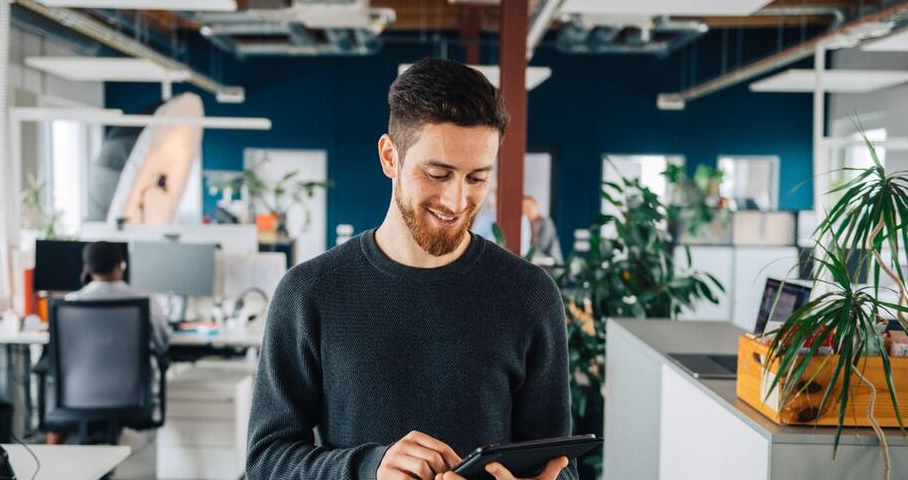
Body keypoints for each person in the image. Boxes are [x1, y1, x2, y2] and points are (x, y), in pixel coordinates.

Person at [247, 58, 577, 480]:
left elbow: (558, 464)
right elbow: (266, 462)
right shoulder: (310, 292)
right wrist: (370, 468)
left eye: (477, 178)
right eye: (437, 174)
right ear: (390, 157)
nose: (456, 201)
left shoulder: (529, 294)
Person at [42, 241, 170, 444]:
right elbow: (163, 344)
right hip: (131, 396)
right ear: (121, 265)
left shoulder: (70, 303)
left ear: (87, 268)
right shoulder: (147, 301)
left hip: (76, 395)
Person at [522, 196, 563, 264]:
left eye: (529, 207)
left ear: (536, 207)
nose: (527, 210)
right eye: (524, 208)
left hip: (550, 263)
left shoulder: (546, 222)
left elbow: (543, 245)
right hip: (535, 261)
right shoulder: (526, 224)